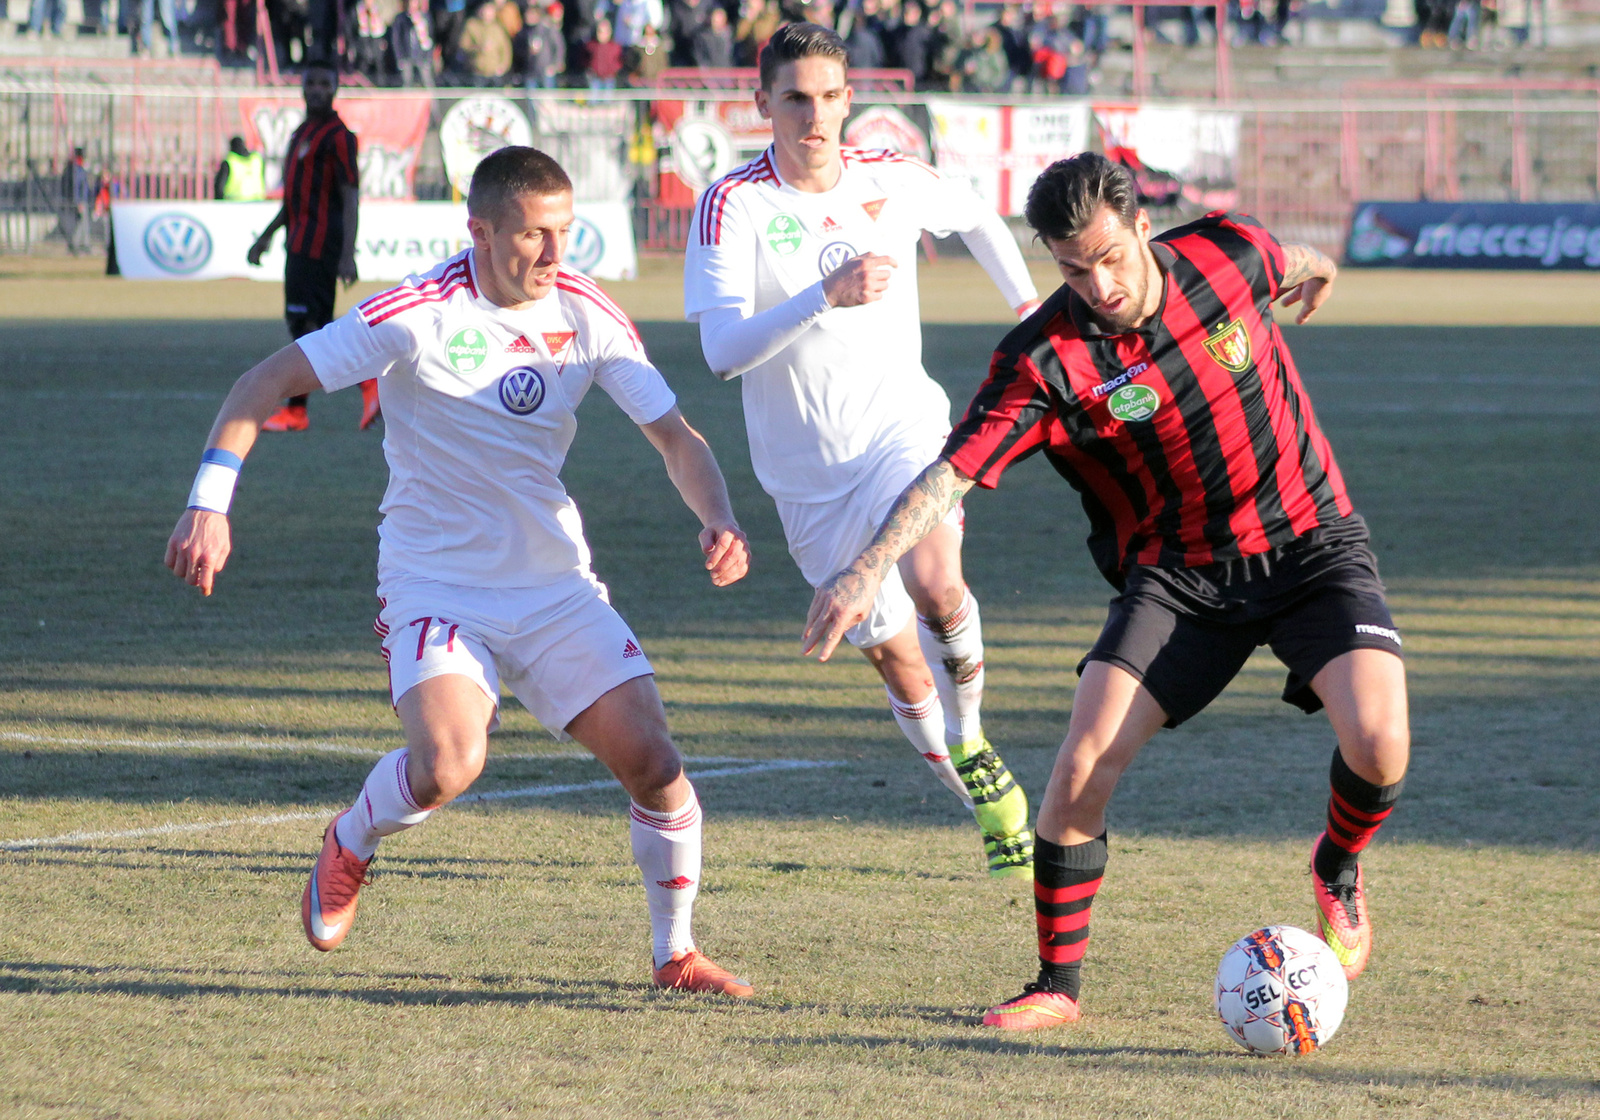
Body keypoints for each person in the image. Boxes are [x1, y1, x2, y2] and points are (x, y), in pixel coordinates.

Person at [802, 152, 1410, 1030]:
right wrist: (866, 568)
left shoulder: (1228, 254)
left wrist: (1320, 274)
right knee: (1081, 765)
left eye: (1110, 257)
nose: (1099, 284)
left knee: (1382, 742)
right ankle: (1057, 984)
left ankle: (1338, 867)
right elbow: (952, 473)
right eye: (1073, 268)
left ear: (1140, 227)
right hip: (1176, 578)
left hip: (1309, 540)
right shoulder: (1044, 360)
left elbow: (1296, 259)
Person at [164, 145, 758, 999]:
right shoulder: (417, 312)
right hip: (437, 584)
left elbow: (675, 436)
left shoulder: (587, 312)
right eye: (531, 236)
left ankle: (675, 955)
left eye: (565, 232)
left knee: (657, 766)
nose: (553, 255)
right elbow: (265, 382)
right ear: (478, 230)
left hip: (553, 587)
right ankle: (352, 841)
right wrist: (208, 503)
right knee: (447, 763)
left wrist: (718, 518)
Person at [684, 22, 1042, 879]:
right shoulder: (732, 203)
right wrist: (823, 294)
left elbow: (982, 219)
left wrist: (1030, 311)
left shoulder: (891, 176)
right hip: (805, 474)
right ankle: (977, 794)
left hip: (904, 428)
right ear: (761, 102)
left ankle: (972, 731)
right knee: (890, 649)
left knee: (935, 576)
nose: (815, 115)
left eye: (830, 96)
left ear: (851, 98)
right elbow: (722, 353)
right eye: (796, 98)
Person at [246, 62, 377, 432]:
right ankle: (300, 409)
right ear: (302, 88)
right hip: (297, 243)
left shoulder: (339, 136)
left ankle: (360, 386)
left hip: (321, 245)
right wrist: (267, 235)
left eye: (324, 83)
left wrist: (348, 251)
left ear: (335, 88)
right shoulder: (302, 133)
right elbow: (294, 198)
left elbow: (350, 194)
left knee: (310, 325)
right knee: (306, 325)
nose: (317, 90)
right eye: (311, 83)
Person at [391, 0, 439, 87]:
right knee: (407, 82)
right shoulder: (401, 18)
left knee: (427, 81)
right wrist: (400, 57)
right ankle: (407, 100)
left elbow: (430, 37)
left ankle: (432, 100)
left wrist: (428, 56)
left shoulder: (425, 18)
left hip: (422, 56)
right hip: (406, 55)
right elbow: (396, 40)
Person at [520, 0, 567, 87]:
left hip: (546, 70)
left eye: (532, 15)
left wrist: (555, 65)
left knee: (547, 97)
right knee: (532, 97)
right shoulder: (525, 31)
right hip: (531, 71)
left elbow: (559, 47)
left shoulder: (548, 29)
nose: (529, 17)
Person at [59, 147, 93, 256]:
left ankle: (82, 244)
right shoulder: (76, 169)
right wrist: (78, 201)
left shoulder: (77, 168)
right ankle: (77, 244)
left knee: (83, 223)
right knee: (81, 223)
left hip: (83, 200)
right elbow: (77, 187)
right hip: (80, 201)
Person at [215, 135, 268, 200]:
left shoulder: (229, 162)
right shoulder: (257, 159)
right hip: (257, 202)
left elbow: (219, 187)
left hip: (234, 203)